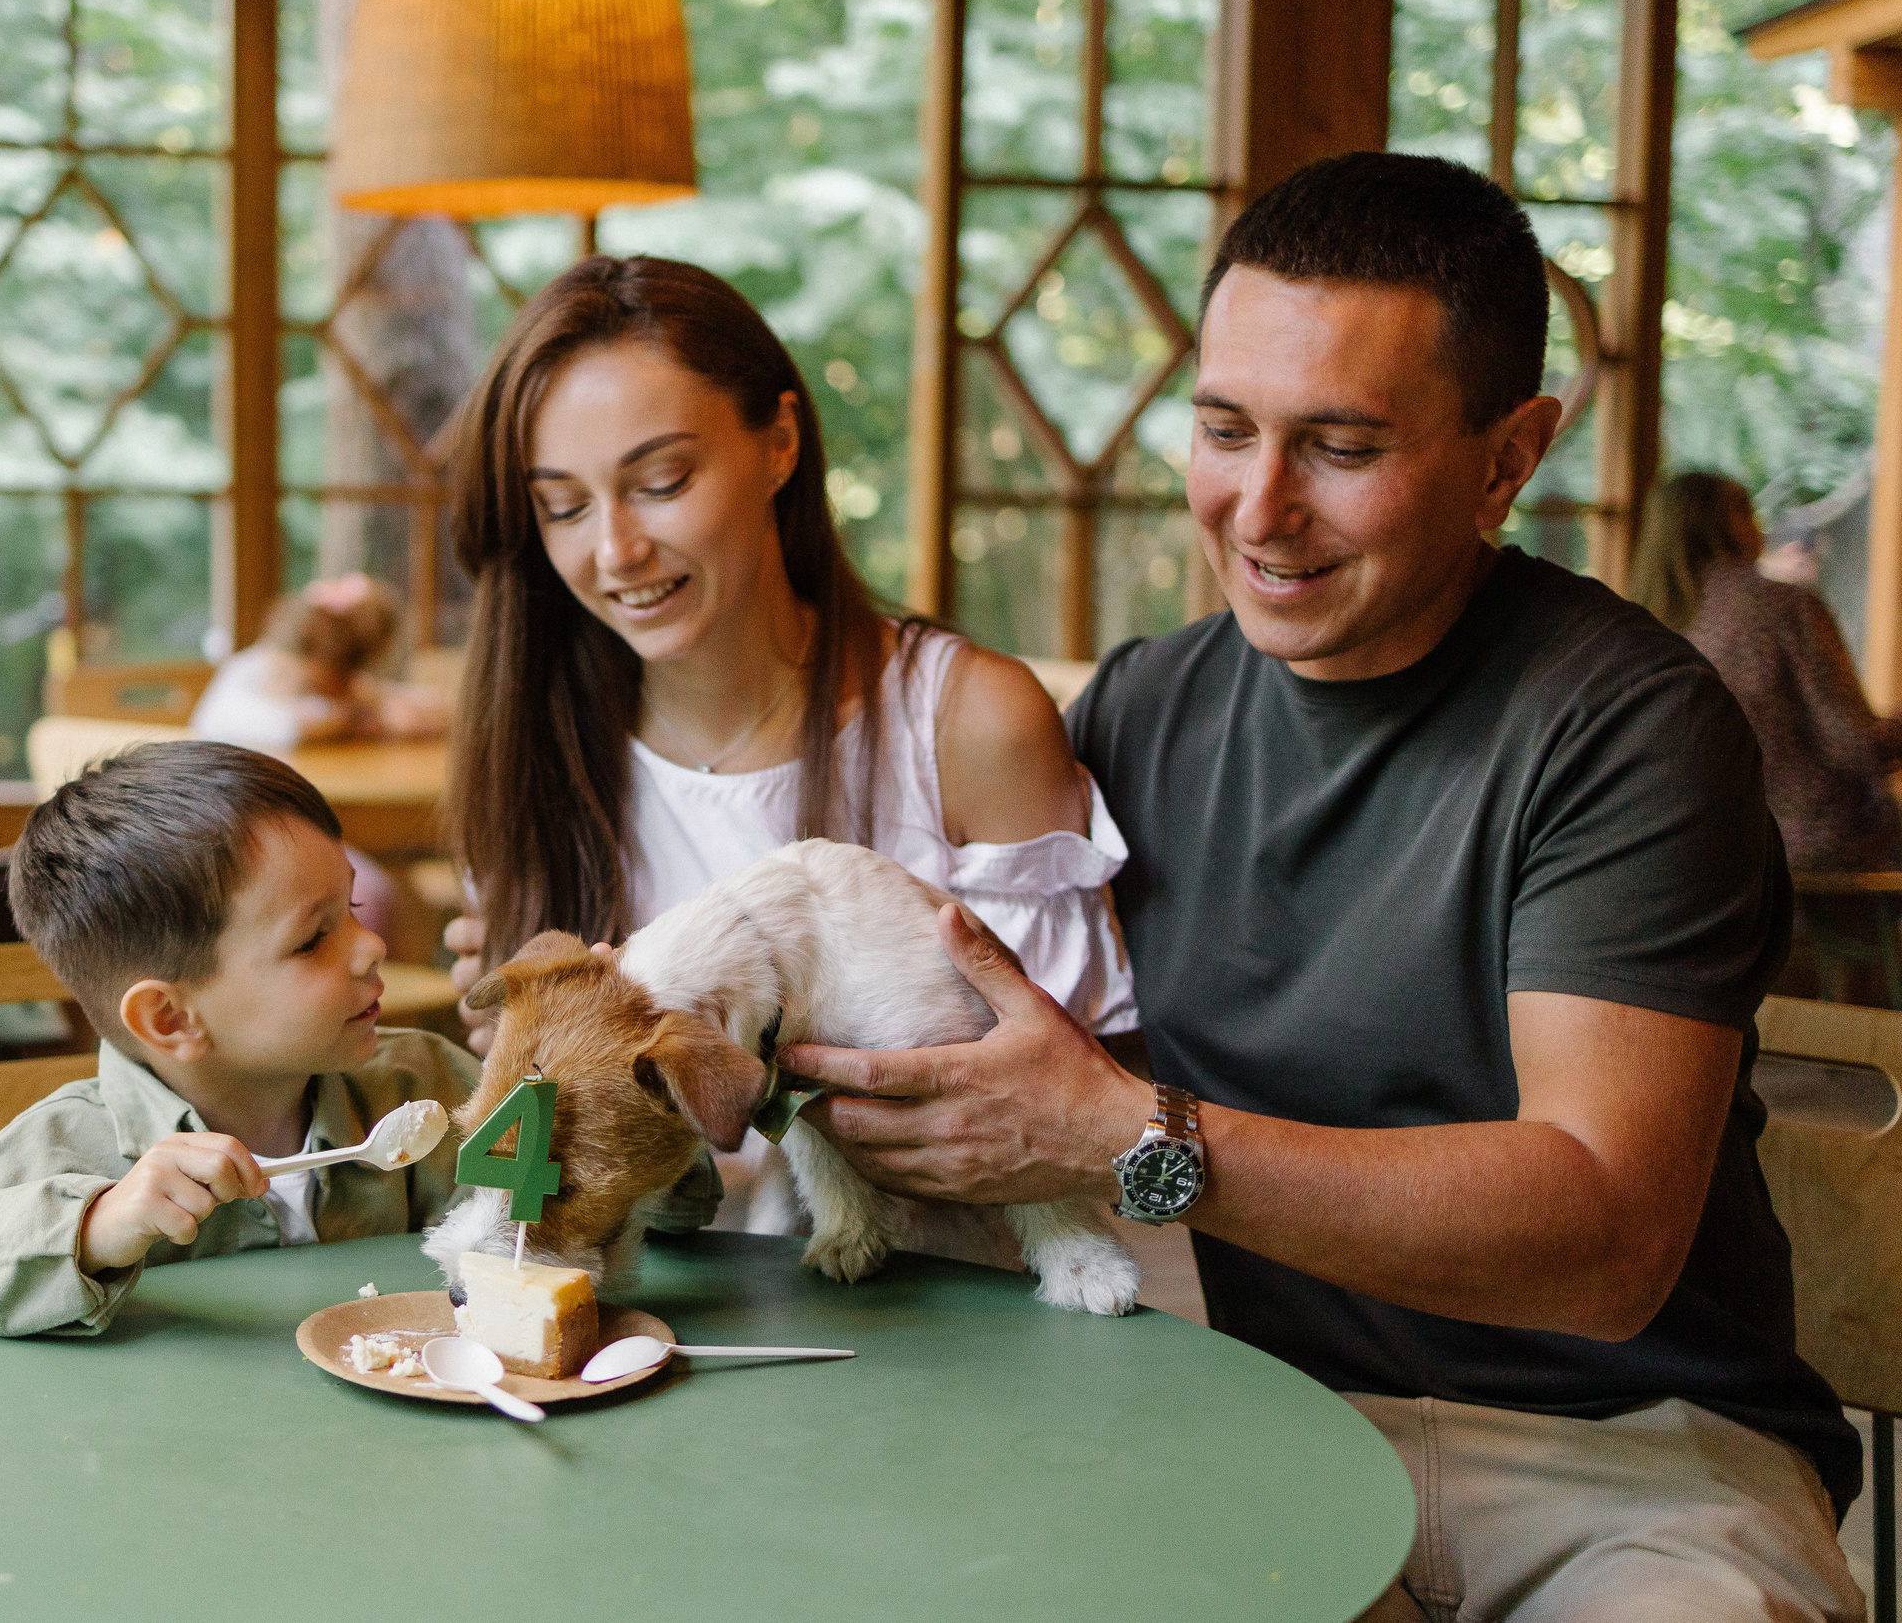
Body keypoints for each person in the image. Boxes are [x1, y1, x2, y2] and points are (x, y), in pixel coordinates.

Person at [780, 154, 1863, 1622]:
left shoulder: (1628, 724)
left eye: (1342, 446)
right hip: (1259, 1422)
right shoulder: (1139, 712)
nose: (1260, 507)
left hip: (1635, 1461)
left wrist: (1127, 1134)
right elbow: (955, 1027)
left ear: (1508, 454)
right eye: (1225, 427)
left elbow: (1605, 1241)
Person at [436, 254, 1133, 1232]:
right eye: (564, 506)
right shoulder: (540, 752)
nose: (615, 550)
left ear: (779, 443)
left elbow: (1077, 1119)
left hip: (956, 1314)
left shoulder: (962, 724)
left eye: (662, 480)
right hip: (656, 1329)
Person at [0, 741, 476, 1368]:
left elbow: (541, 1226)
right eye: (314, 939)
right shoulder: (68, 1148)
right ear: (170, 1018)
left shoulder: (421, 1087)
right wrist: (94, 1228)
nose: (369, 947)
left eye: (354, 909)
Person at [1632, 468, 1902, 871]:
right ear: (1729, 523)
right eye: (1749, 511)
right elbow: (1856, 746)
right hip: (1817, 857)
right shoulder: (1782, 607)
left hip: (1690, 857)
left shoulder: (1642, 626)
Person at [188, 572, 453, 753]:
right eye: (307, 682)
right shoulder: (249, 669)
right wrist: (344, 718)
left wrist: (382, 709)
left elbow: (436, 708)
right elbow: (213, 720)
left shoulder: (351, 690)